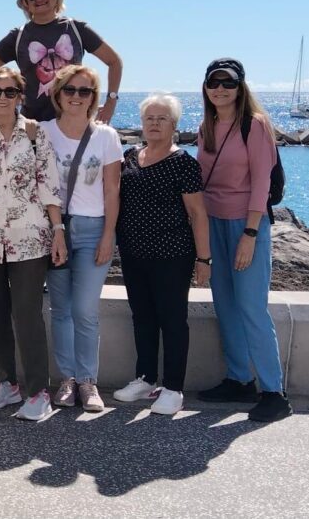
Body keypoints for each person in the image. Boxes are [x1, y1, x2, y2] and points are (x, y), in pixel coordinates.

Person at [195, 58, 292, 422]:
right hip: (214, 222)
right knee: (225, 304)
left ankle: (274, 392)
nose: (220, 89)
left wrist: (251, 234)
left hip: (245, 224)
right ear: (205, 87)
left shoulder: (255, 125)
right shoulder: (206, 126)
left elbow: (262, 184)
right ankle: (239, 378)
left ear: (240, 87)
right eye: (213, 82)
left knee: (251, 307)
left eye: (228, 83)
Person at [0, 70, 65, 421]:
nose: (3, 97)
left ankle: (39, 391)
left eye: (10, 91)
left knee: (27, 315)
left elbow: (49, 185)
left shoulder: (36, 134)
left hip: (29, 238)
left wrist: (58, 230)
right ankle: (7, 383)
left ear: (20, 96)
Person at [113, 93, 210, 416]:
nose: (154, 124)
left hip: (172, 254)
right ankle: (145, 378)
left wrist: (203, 259)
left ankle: (173, 387)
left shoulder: (183, 162)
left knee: (172, 320)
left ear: (174, 125)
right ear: (142, 124)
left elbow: (197, 214)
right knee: (142, 316)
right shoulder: (129, 157)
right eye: (149, 118)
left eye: (162, 119)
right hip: (133, 253)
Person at [41, 65, 122, 412]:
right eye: (70, 90)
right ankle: (67, 378)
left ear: (94, 97)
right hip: (53, 229)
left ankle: (88, 381)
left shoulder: (106, 137)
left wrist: (109, 235)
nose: (76, 96)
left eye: (84, 91)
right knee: (60, 310)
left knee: (85, 309)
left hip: (91, 230)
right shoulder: (42, 132)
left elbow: (112, 190)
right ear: (57, 95)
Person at [0, 0, 124, 124]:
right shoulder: (17, 37)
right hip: (33, 128)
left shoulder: (77, 29)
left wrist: (111, 102)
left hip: (74, 125)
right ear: (26, 3)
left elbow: (114, 61)